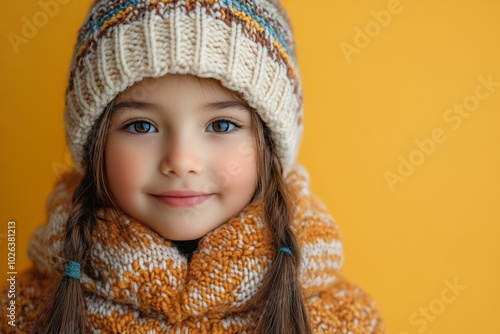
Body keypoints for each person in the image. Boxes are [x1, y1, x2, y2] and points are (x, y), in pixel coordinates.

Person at [0, 0, 385, 333]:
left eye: (221, 125)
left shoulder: (344, 320)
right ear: (95, 144)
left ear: (269, 146)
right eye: (140, 126)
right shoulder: (22, 311)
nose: (181, 161)